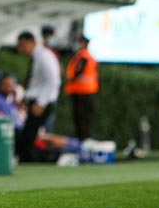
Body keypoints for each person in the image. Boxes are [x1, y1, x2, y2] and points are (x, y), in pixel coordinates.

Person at [16, 31, 61, 162]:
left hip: (42, 101)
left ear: (32, 42)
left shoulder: (44, 56)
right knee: (28, 134)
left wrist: (41, 102)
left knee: (29, 135)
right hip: (38, 99)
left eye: (23, 45)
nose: (21, 49)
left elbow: (53, 80)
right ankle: (28, 159)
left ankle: (29, 161)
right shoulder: (38, 56)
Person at [64, 35, 99, 141]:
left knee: (81, 118)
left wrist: (70, 79)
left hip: (81, 91)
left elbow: (77, 73)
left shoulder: (83, 56)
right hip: (86, 91)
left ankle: (83, 140)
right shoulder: (87, 56)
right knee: (84, 118)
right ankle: (84, 138)